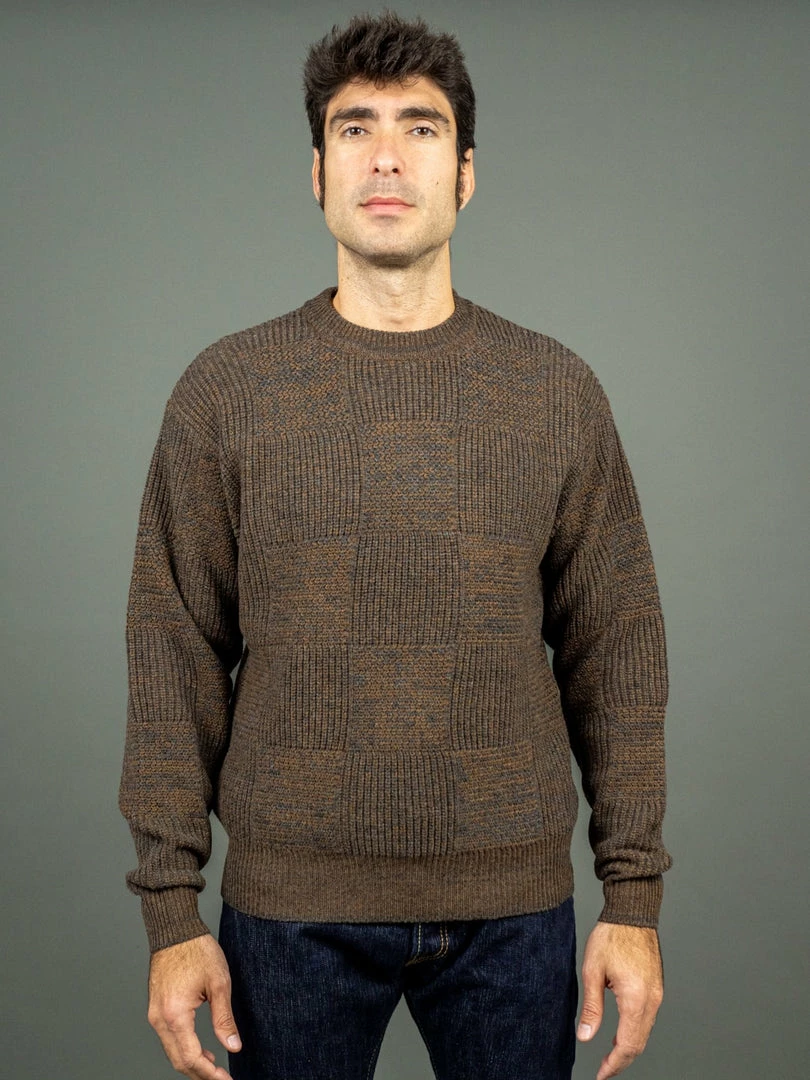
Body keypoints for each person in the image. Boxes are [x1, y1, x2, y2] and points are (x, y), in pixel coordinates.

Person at [118, 12, 672, 1080]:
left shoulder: (553, 391)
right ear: (315, 173)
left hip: (516, 914)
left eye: (420, 128)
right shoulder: (228, 392)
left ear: (465, 175)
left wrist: (634, 896)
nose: (384, 156)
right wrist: (171, 914)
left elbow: (619, 649)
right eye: (353, 128)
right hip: (288, 917)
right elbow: (172, 651)